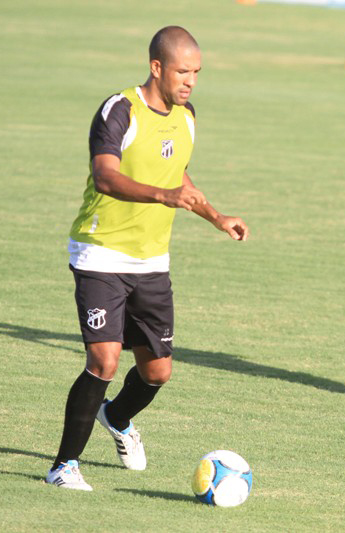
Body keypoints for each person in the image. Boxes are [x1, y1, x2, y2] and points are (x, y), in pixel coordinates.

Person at [46, 26, 249, 490]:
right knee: (104, 360)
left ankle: (116, 417)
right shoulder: (120, 110)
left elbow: (178, 176)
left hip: (151, 261)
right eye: (182, 71)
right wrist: (163, 195)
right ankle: (63, 466)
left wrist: (216, 217)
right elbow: (105, 177)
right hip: (100, 253)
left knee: (157, 371)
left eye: (197, 72)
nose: (190, 81)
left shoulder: (187, 116)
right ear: (156, 67)